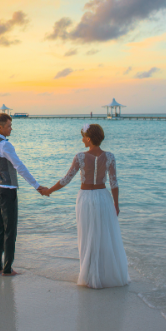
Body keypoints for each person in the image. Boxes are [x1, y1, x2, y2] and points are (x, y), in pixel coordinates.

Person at [43, 123, 130, 288]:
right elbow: (114, 183)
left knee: (87, 235)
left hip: (85, 199)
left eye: (83, 136)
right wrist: (116, 204)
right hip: (103, 198)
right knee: (103, 236)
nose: (82, 139)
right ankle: (104, 274)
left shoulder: (80, 157)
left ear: (89, 139)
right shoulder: (110, 156)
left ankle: (89, 275)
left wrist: (50, 191)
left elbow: (66, 179)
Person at [0, 113, 47, 276]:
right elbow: (19, 166)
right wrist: (36, 185)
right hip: (7, 191)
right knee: (10, 230)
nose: (11, 128)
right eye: (8, 126)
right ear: (0, 127)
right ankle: (7, 269)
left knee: (0, 229)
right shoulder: (5, 145)